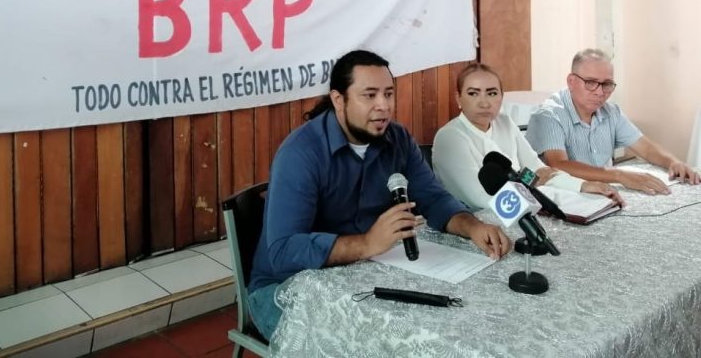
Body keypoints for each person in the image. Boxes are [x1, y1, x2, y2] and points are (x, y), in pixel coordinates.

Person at [247, 50, 512, 340]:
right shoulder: (300, 153)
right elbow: (284, 251)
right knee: (370, 341)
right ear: (339, 99)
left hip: (360, 273)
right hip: (284, 288)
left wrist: (473, 227)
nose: (383, 106)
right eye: (370, 95)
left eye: (388, 94)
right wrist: (367, 243)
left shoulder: (398, 139)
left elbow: (434, 198)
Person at [432, 63, 623, 210]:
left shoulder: (504, 122)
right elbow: (483, 199)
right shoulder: (449, 138)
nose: (484, 103)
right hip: (476, 224)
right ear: (458, 98)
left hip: (524, 211)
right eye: (473, 94)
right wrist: (535, 188)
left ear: (501, 97)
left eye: (491, 93)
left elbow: (537, 169)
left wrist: (582, 185)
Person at [526, 48, 701, 195]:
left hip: (603, 194)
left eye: (607, 84)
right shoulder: (549, 115)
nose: (600, 92)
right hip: (562, 197)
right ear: (571, 81)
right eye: (591, 82)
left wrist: (674, 162)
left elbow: (646, 149)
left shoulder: (611, 112)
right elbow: (558, 165)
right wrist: (619, 175)